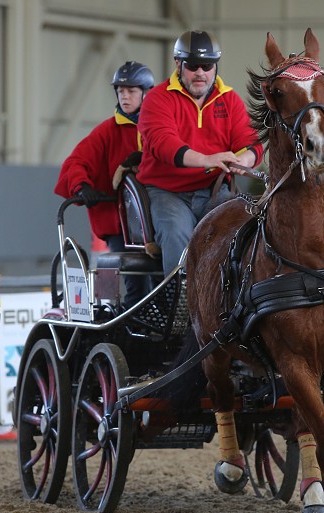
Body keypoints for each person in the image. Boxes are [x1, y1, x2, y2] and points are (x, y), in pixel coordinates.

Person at [136, 30, 264, 275]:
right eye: (193, 65)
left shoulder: (230, 100)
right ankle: (181, 303)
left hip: (213, 191)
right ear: (178, 64)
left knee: (242, 226)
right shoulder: (157, 99)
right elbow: (163, 144)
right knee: (176, 231)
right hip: (168, 192)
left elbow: (253, 144)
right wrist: (209, 159)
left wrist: (243, 160)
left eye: (207, 66)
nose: (200, 73)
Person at [53, 61, 155, 306]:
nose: (125, 96)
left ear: (146, 93)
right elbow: (75, 162)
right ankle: (134, 333)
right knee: (136, 284)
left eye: (131, 91)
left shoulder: (158, 127)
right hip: (120, 225)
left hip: (155, 222)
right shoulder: (107, 131)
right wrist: (82, 187)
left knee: (164, 280)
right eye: (121, 91)